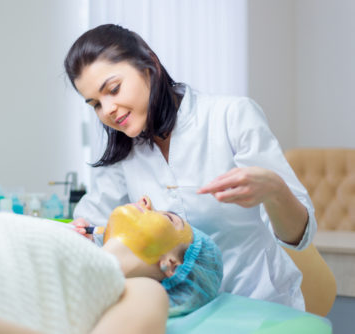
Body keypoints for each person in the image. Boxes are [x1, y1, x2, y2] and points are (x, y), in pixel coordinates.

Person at [65, 24, 317, 310]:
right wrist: (78, 238)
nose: (107, 109)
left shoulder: (231, 117)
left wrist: (274, 192)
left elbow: (301, 237)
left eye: (113, 89)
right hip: (181, 313)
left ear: (150, 66)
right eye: (95, 104)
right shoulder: (124, 154)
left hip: (260, 306)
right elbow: (92, 227)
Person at [0, 196, 222, 334]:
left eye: (168, 218)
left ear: (172, 265)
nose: (145, 200)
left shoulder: (144, 293)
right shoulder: (65, 238)